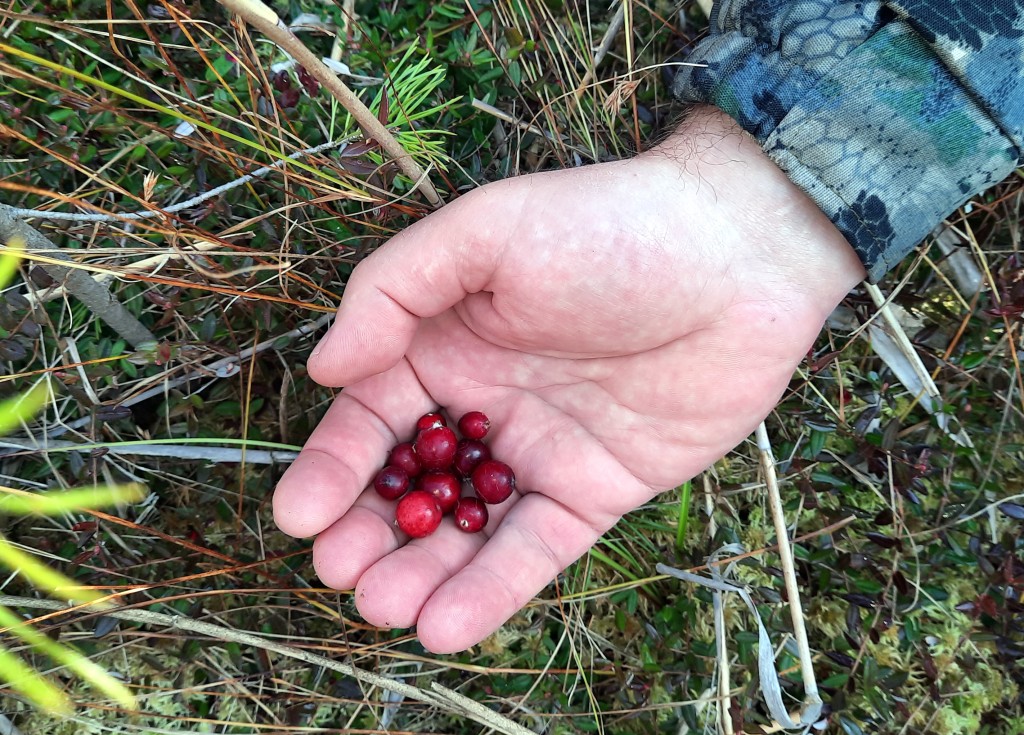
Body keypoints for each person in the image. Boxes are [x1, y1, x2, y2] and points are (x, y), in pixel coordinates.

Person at [272, 1, 1024, 653]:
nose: (446, 465)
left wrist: (748, 218)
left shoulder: (456, 460)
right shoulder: (452, 461)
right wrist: (741, 213)